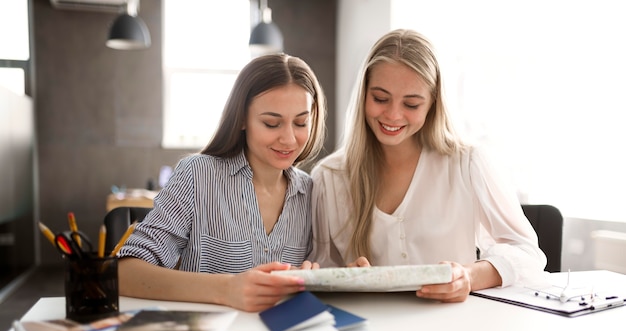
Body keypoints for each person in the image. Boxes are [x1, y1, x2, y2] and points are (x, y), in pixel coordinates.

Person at [311, 29, 546, 302]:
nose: (393, 115)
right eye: (380, 98)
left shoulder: (468, 164)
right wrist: (345, 279)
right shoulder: (329, 178)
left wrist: (467, 277)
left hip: (451, 330)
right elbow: (321, 270)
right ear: (363, 94)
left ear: (432, 103)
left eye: (411, 103)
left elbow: (527, 253)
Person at [117, 53, 327, 312]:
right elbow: (124, 273)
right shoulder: (197, 175)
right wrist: (227, 289)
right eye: (271, 123)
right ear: (241, 119)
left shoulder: (311, 191)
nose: (289, 139)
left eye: (301, 122)